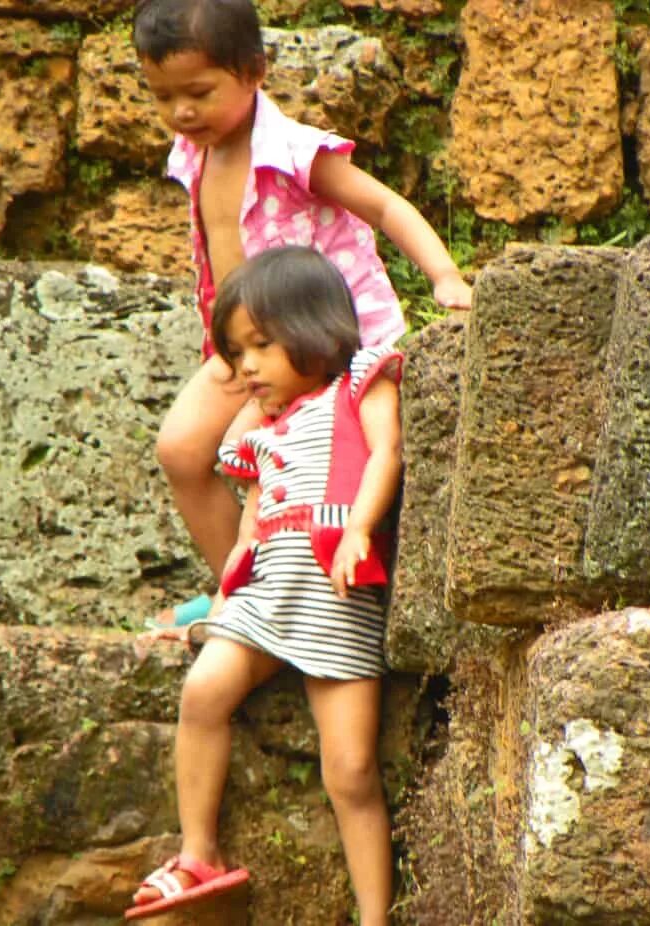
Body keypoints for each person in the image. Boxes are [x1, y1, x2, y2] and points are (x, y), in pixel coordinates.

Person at [133, 0, 471, 628]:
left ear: (255, 69)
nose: (181, 112)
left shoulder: (294, 151)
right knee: (181, 450)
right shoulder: (193, 152)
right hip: (246, 349)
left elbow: (386, 207)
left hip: (320, 350)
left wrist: (444, 274)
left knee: (262, 454)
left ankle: (283, 592)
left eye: (200, 92)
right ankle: (239, 587)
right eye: (163, 97)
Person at [126, 246, 404, 923]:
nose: (244, 366)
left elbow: (386, 453)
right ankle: (199, 852)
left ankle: (375, 918)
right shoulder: (268, 429)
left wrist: (363, 527)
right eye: (235, 351)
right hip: (268, 590)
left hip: (335, 594)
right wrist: (229, 586)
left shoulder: (360, 382)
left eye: (260, 345)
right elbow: (253, 512)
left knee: (352, 771)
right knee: (203, 691)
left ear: (316, 328)